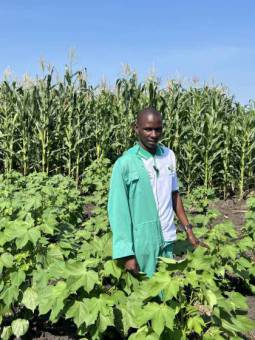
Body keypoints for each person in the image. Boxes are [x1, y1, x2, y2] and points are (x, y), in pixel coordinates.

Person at [108, 107, 201, 277]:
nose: (153, 134)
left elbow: (174, 195)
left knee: (166, 292)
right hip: (142, 242)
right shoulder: (125, 164)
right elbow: (118, 212)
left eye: (158, 129)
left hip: (167, 237)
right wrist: (126, 253)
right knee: (145, 295)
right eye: (147, 129)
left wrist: (189, 231)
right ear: (136, 129)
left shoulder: (169, 156)